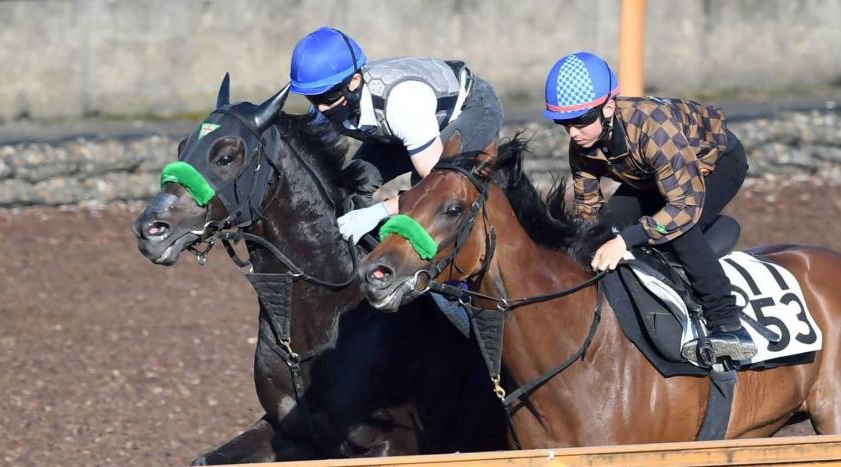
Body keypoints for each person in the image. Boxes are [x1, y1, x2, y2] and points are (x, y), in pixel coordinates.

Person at [543, 51, 756, 361]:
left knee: (677, 231)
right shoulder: (581, 146)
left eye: (581, 120)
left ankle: (729, 323)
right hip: (650, 174)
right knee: (610, 223)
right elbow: (588, 211)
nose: (573, 132)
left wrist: (627, 240)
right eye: (564, 123)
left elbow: (682, 207)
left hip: (714, 165)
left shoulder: (653, 127)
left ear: (609, 108)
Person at [288, 27, 504, 243]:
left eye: (328, 96)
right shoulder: (325, 105)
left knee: (429, 193)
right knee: (351, 188)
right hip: (407, 126)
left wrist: (378, 211)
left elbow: (436, 186)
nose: (322, 108)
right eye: (313, 98)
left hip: (472, 106)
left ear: (354, 82)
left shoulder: (402, 104)